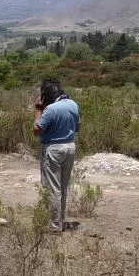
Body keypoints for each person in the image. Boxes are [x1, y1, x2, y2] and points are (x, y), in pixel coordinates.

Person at [33, 78, 80, 232]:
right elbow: (77, 127)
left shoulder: (50, 109)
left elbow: (36, 129)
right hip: (70, 147)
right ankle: (60, 220)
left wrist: (39, 109)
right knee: (63, 186)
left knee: (53, 188)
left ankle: (54, 226)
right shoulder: (73, 104)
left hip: (53, 149)